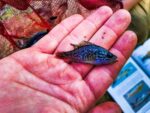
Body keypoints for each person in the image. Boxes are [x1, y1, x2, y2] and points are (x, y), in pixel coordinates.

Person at [0, 6, 137, 113]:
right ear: (103, 56)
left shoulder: (101, 56)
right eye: (109, 56)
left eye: (109, 57)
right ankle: (65, 55)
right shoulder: (100, 56)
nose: (111, 58)